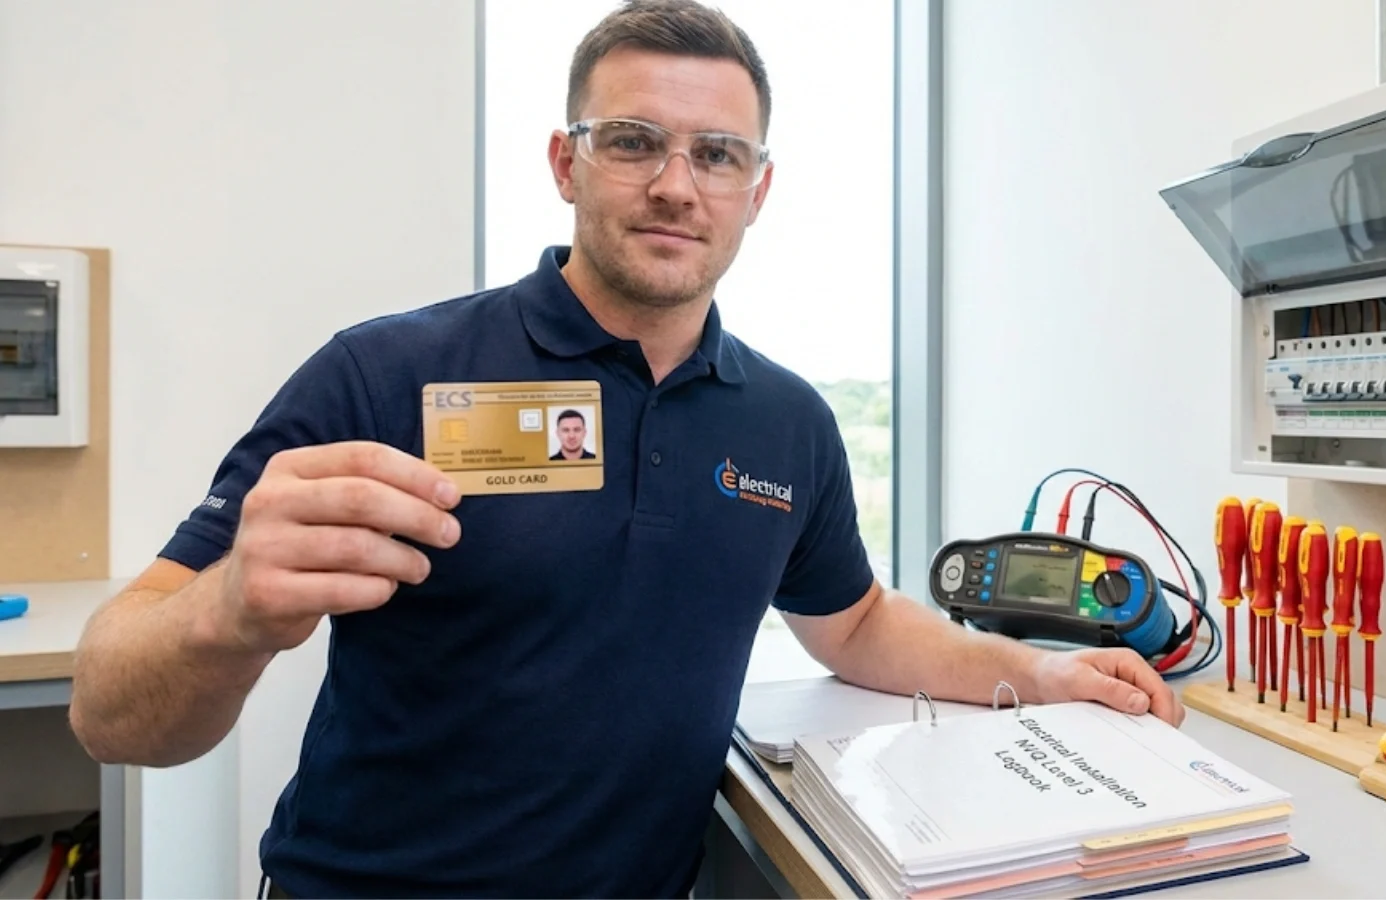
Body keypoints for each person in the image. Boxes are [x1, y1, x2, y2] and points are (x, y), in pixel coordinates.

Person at [67, 0, 1181, 896]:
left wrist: (1035, 672)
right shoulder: (384, 374)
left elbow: (851, 621)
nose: (673, 185)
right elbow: (111, 714)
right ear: (565, 161)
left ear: (759, 188)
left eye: (716, 154)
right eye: (633, 142)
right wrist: (225, 614)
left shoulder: (786, 422)